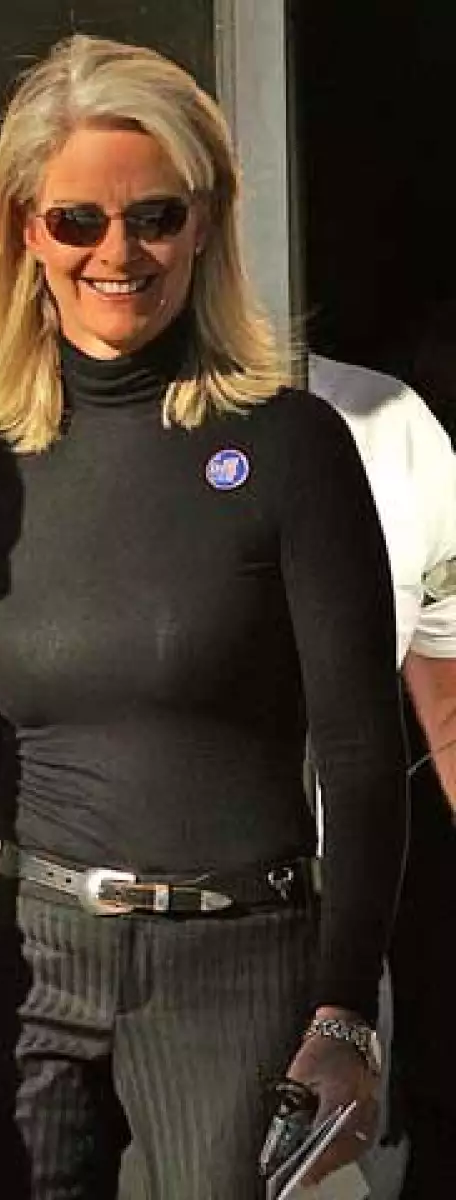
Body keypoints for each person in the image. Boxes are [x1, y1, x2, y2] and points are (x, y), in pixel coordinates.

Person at [0, 35, 406, 1200]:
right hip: (20, 965)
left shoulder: (290, 449)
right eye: (78, 221)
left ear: (205, 225)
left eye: (155, 216)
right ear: (24, 231)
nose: (118, 252)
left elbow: (358, 755)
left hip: (235, 973)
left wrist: (343, 1014)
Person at [307, 352, 456, 1199]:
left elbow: (446, 689)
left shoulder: (385, 422)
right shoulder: (38, 414)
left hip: (332, 940)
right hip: (74, 937)